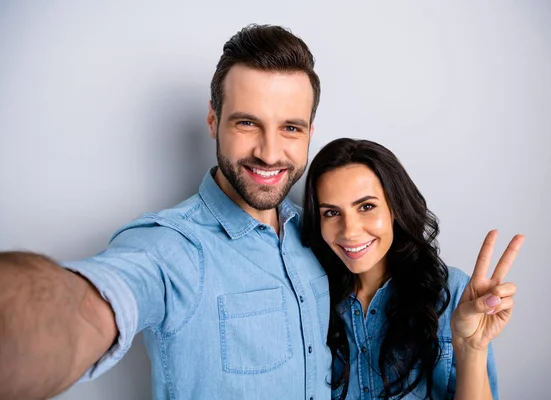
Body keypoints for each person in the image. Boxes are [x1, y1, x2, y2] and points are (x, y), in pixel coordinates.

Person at [0, 24, 332, 400]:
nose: (270, 153)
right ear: (212, 120)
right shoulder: (170, 249)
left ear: (309, 132)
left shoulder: (321, 231)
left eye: (290, 128)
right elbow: (87, 309)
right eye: (247, 123)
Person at [301, 138, 524, 400]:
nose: (349, 231)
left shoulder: (453, 293)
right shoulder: (311, 298)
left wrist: (472, 347)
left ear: (395, 208)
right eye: (331, 213)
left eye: (367, 207)